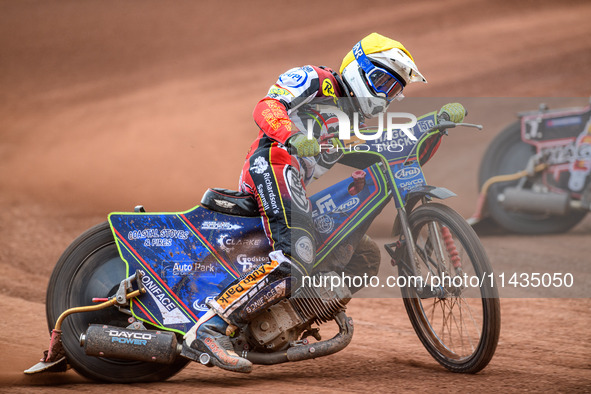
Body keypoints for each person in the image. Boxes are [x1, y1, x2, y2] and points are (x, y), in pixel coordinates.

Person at [182, 32, 466, 373]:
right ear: (359, 68)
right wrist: (292, 136)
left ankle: (285, 321)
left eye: (394, 90)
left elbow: (390, 151)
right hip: (272, 163)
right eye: (381, 81)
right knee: (296, 257)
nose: (385, 95)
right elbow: (267, 106)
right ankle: (210, 329)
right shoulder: (317, 80)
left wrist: (432, 125)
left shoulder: (354, 121)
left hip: (295, 184)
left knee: (364, 256)